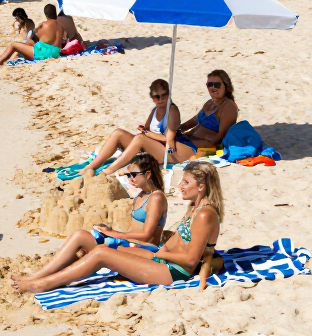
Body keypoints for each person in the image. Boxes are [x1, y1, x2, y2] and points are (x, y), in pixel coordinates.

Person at [14, 162, 222, 293]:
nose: (180, 186)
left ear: (201, 186)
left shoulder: (205, 214)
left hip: (172, 271)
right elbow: (180, 241)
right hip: (161, 259)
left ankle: (44, 285)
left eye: (186, 182)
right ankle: (37, 277)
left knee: (101, 253)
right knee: (94, 243)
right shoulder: (194, 207)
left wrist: (161, 254)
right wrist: (156, 253)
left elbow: (191, 260)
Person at [97, 70, 238, 175]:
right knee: (120, 133)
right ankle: (93, 166)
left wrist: (200, 145)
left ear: (225, 85)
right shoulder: (209, 103)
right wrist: (174, 128)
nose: (212, 88)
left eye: (216, 84)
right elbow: (191, 122)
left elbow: (219, 137)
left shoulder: (229, 107)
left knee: (141, 139)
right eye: (209, 84)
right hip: (183, 140)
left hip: (193, 147)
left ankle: (109, 170)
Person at [0, 6, 65, 65]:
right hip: (56, 53)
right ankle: (6, 58)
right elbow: (63, 40)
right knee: (28, 45)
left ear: (46, 14)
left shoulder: (44, 24)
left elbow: (33, 38)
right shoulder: (61, 26)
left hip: (43, 54)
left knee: (14, 45)